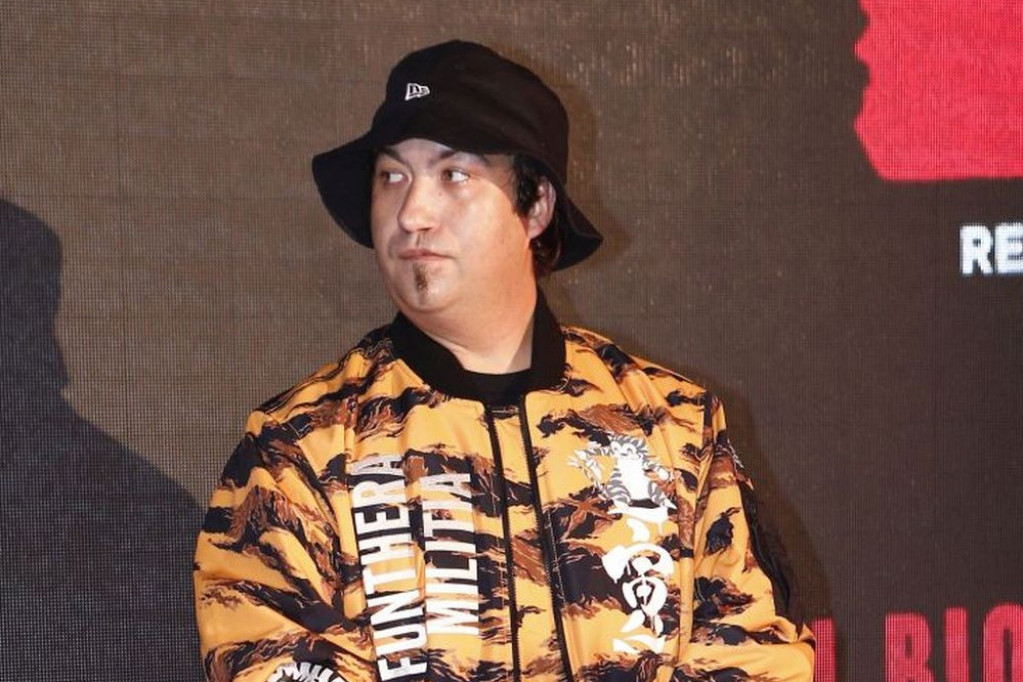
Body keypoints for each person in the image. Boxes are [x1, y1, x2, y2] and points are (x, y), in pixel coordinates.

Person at [193, 40, 814, 682]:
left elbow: (756, 653)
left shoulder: (675, 426)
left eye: (454, 175)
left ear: (536, 204)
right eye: (392, 177)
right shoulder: (299, 449)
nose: (412, 213)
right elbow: (267, 658)